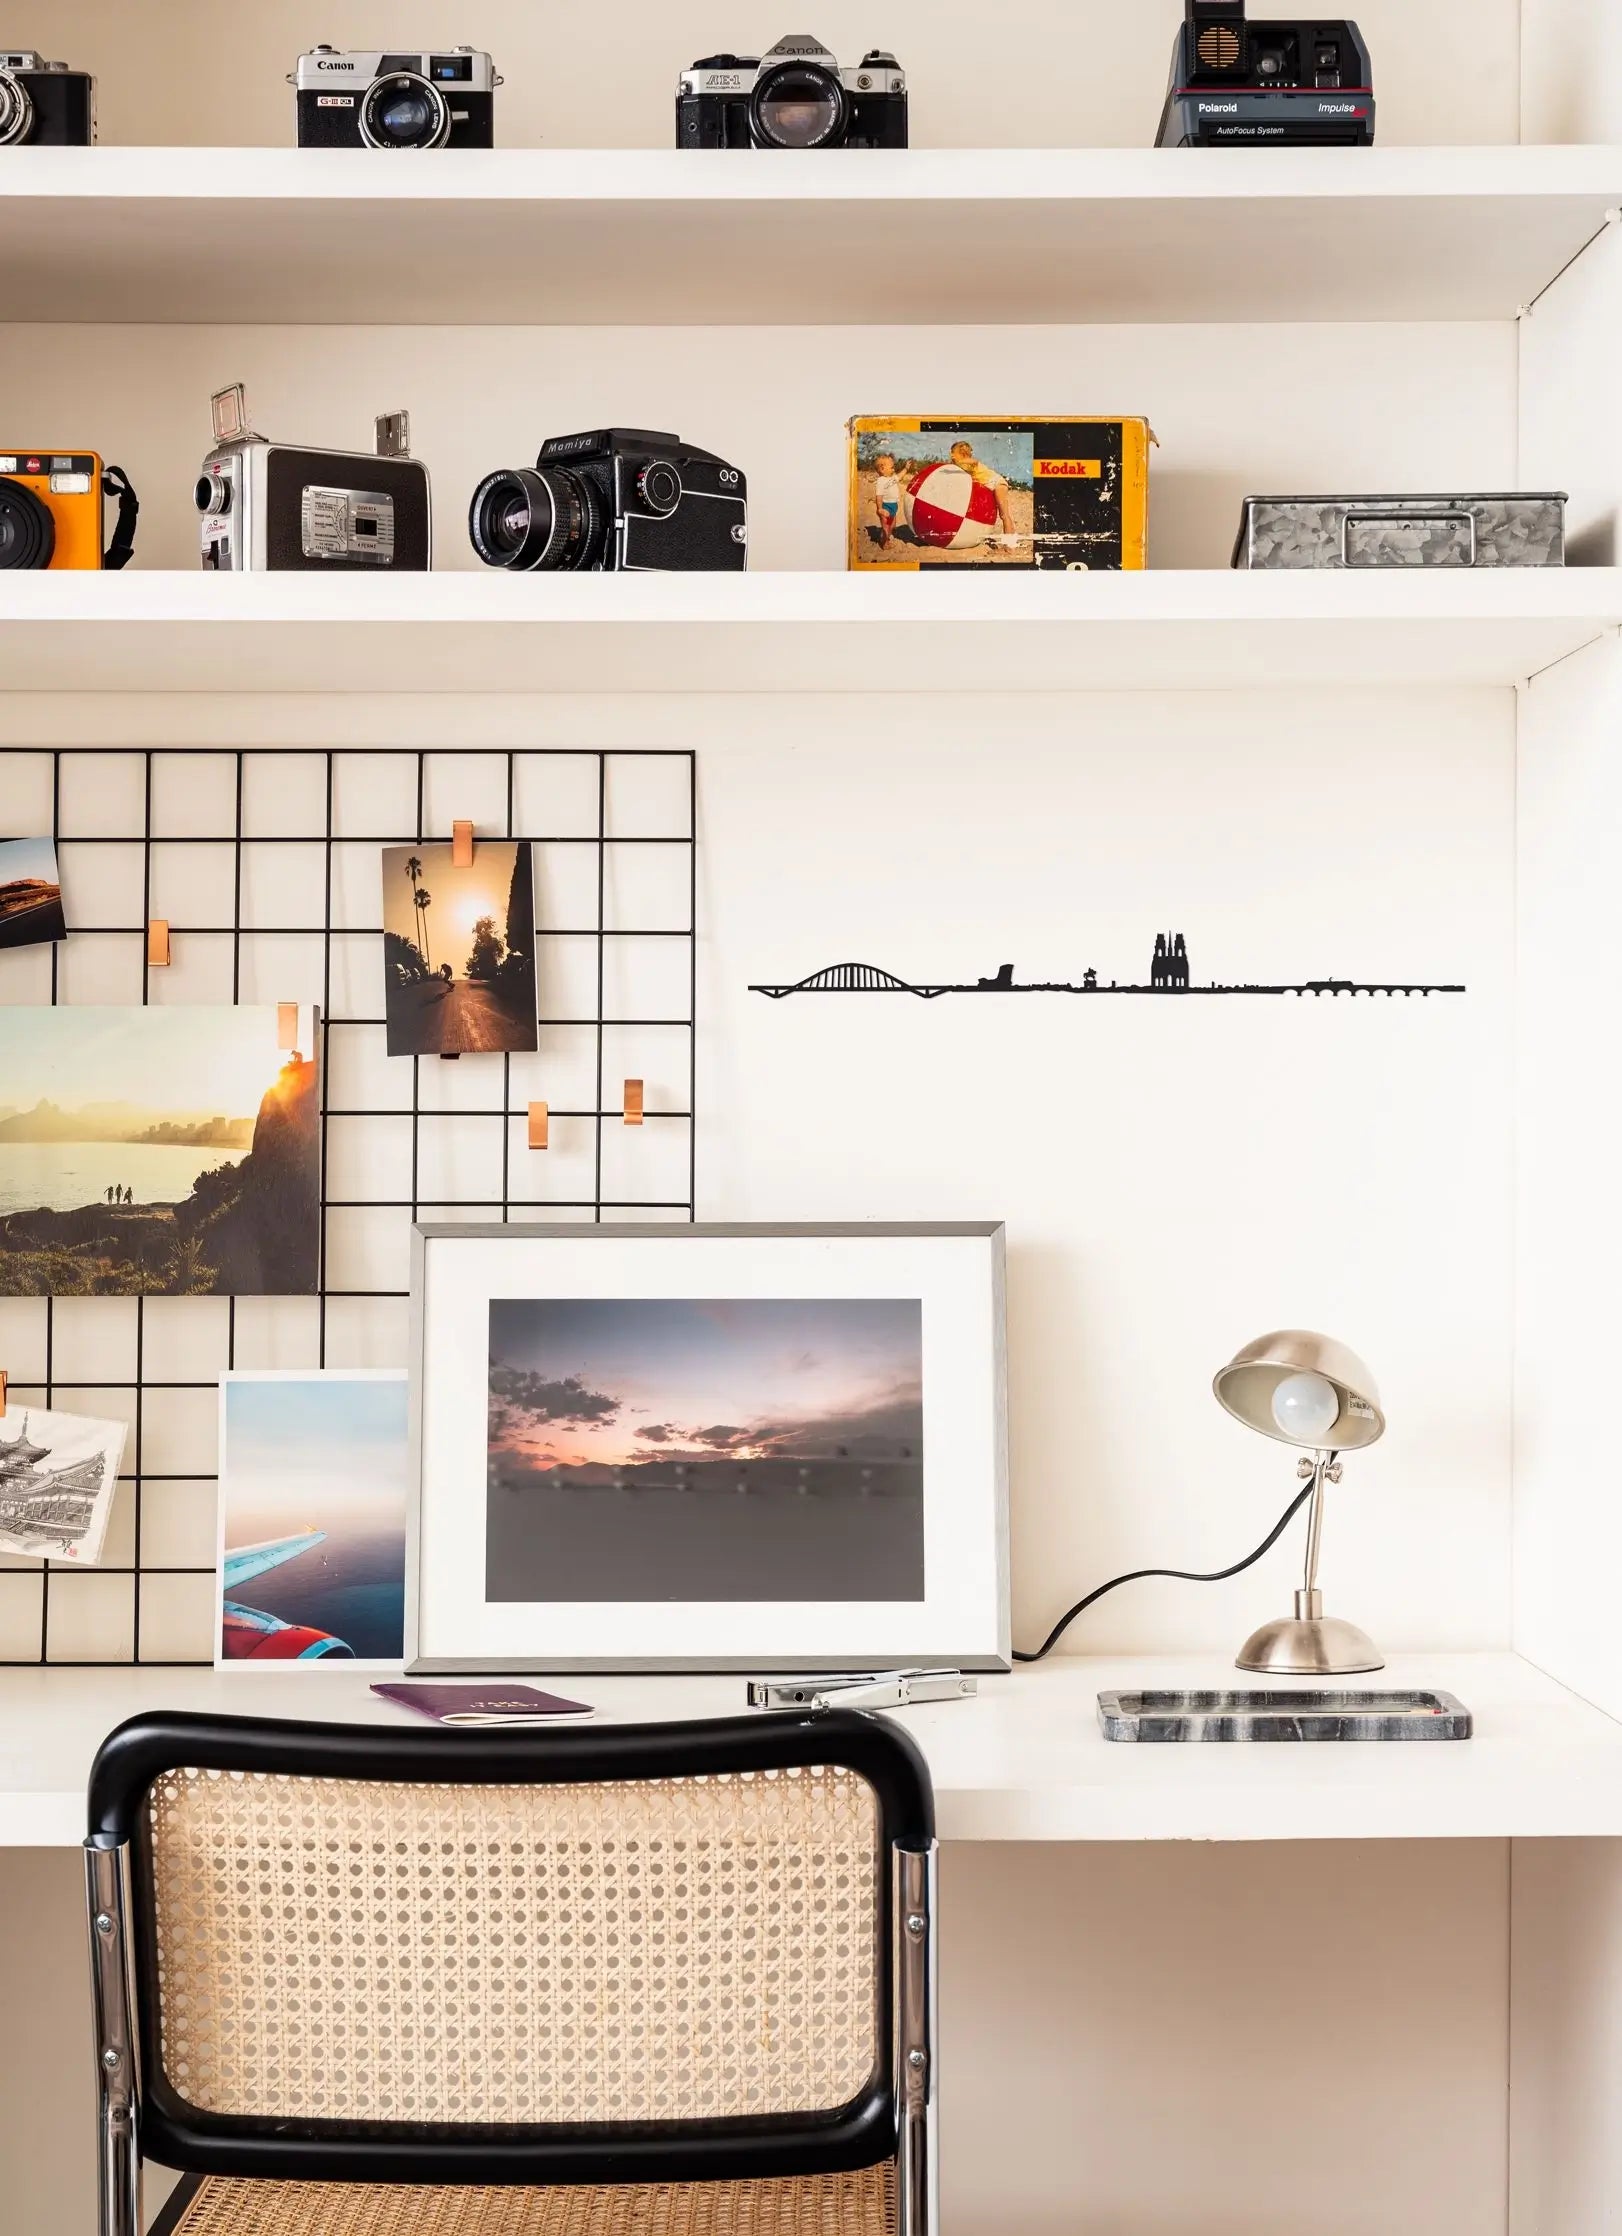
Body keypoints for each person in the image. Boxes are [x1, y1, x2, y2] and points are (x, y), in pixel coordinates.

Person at [949, 439, 1018, 544]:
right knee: (1005, 515)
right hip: (991, 486)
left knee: (1004, 515)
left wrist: (959, 461)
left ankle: (1009, 547)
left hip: (997, 483)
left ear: (962, 453)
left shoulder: (970, 462)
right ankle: (1012, 543)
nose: (951, 455)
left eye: (953, 453)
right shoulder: (962, 465)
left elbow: (974, 461)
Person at [872, 452, 903, 550]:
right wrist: (880, 509)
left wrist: (906, 468)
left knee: (892, 526)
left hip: (893, 507)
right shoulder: (881, 481)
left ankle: (885, 537)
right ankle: (885, 543)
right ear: (882, 469)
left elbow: (900, 476)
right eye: (892, 467)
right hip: (886, 508)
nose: (894, 469)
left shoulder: (892, 478)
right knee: (886, 527)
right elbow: (879, 496)